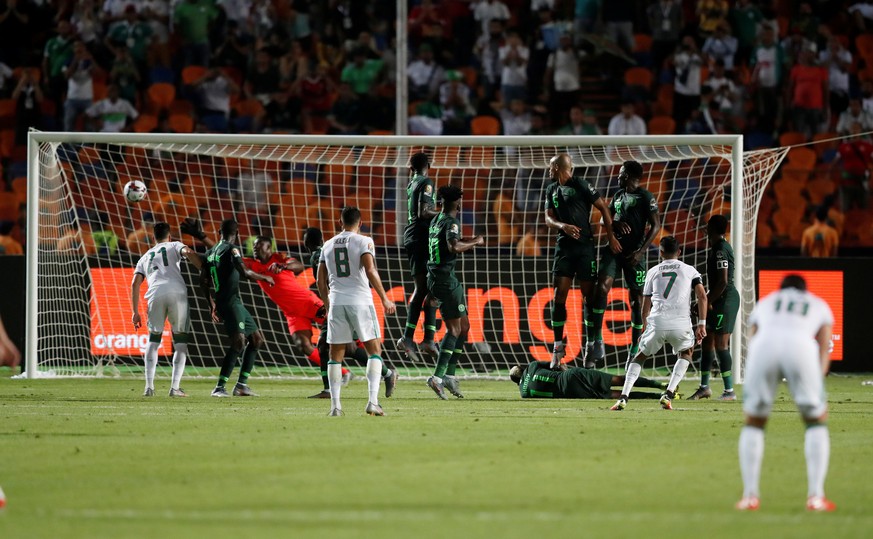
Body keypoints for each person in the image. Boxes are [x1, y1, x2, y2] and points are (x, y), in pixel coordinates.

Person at [737, 274, 835, 512]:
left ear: (781, 289)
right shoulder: (818, 303)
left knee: (755, 421)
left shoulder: (767, 302)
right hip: (801, 347)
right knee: (815, 421)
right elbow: (824, 345)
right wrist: (817, 378)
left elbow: (752, 336)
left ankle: (750, 497)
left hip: (763, 347)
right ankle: (816, 497)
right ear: (805, 290)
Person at [610, 236, 707, 411]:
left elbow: (644, 305)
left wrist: (644, 327)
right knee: (686, 352)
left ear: (661, 252)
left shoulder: (652, 271)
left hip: (657, 321)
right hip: (681, 323)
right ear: (679, 252)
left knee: (639, 356)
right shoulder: (690, 270)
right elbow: (702, 296)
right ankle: (668, 394)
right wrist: (701, 323)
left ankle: (623, 397)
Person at [317, 207, 397, 417]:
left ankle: (335, 407)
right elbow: (370, 270)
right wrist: (385, 298)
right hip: (360, 301)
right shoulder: (364, 241)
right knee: (374, 352)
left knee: (335, 356)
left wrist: (328, 304)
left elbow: (320, 280)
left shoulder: (327, 244)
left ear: (340, 222)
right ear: (360, 223)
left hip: (337, 302)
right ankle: (372, 402)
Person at [544, 153, 620, 370]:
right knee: (560, 296)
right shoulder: (551, 189)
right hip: (564, 248)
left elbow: (604, 208)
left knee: (589, 296)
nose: (549, 171)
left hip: (585, 247)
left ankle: (591, 344)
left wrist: (611, 236)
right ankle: (558, 347)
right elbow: (548, 218)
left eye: (551, 167)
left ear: (559, 167)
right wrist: (563, 226)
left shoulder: (582, 185)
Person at [589, 160, 661, 368]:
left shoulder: (645, 197)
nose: (617, 177)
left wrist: (640, 252)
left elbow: (656, 226)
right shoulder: (618, 196)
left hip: (634, 255)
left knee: (637, 302)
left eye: (620, 173)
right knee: (601, 288)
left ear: (628, 175)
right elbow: (605, 219)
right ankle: (596, 341)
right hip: (613, 250)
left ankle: (633, 350)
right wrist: (615, 223)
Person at [200, 219, 274, 398]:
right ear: (238, 233)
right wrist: (265, 278)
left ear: (219, 231)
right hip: (230, 303)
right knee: (238, 343)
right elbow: (245, 272)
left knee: (256, 340)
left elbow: (203, 280)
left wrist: (212, 305)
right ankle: (219, 387)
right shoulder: (231, 249)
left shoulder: (210, 252)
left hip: (232, 301)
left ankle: (241, 386)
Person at [130, 222, 203, 397]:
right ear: (169, 236)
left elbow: (135, 283)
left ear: (153, 238)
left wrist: (135, 312)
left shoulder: (145, 256)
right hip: (177, 293)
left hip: (155, 294)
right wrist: (202, 268)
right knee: (180, 342)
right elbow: (189, 252)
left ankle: (149, 387)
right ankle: (175, 388)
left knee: (153, 340)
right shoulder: (175, 245)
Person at [425, 185, 484, 399]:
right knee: (454, 330)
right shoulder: (451, 222)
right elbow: (453, 247)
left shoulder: (435, 220)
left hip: (438, 277)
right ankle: (438, 377)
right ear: (457, 202)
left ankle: (449, 375)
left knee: (464, 326)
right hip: (444, 280)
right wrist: (475, 241)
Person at [688, 215, 740, 401]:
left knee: (721, 344)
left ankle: (729, 391)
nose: (705, 228)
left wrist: (707, 300)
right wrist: (706, 300)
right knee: (707, 342)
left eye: (707, 225)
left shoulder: (720, 250)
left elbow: (724, 281)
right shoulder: (716, 247)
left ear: (711, 228)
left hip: (725, 300)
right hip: (717, 298)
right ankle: (704, 387)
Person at [397, 152, 441, 363]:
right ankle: (423, 339)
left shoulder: (412, 183)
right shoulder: (426, 182)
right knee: (428, 288)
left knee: (425, 288)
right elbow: (424, 212)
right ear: (428, 166)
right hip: (420, 237)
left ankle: (417, 338)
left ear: (410, 168)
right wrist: (443, 214)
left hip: (414, 237)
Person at [510, 360, 667, 399]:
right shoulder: (532, 366)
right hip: (572, 376)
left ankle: (657, 397)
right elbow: (556, 365)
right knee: (619, 379)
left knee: (616, 395)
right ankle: (659, 385)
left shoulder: (524, 394)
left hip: (570, 392)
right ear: (522, 369)